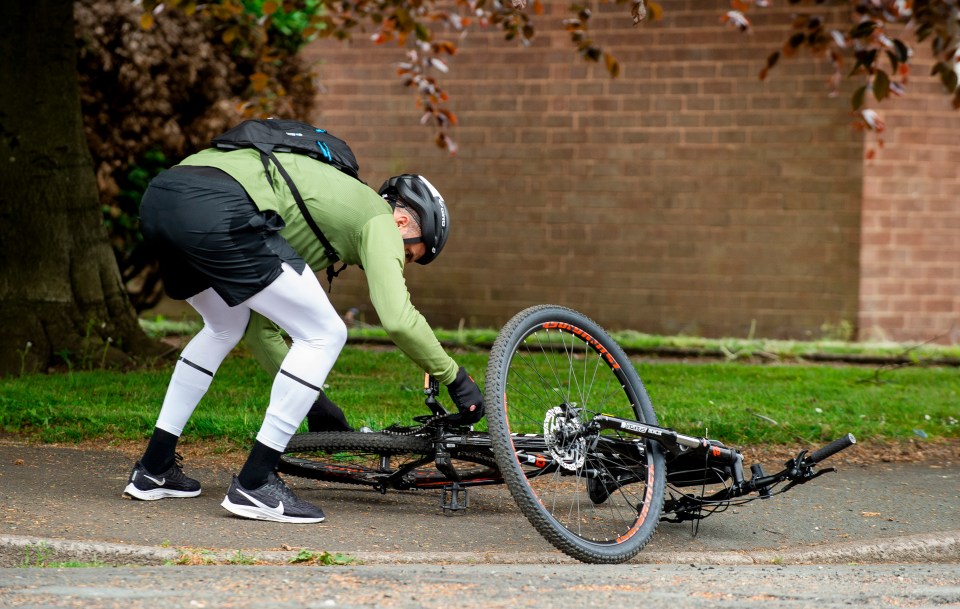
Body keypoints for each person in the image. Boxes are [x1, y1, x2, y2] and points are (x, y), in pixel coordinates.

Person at [123, 133, 484, 524]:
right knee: (328, 332)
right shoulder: (378, 219)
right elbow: (397, 317)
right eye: (410, 253)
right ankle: (255, 483)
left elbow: (261, 332)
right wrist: (455, 377)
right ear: (401, 220)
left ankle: (153, 466)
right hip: (218, 205)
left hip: (164, 197)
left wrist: (314, 402)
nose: (402, 262)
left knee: (226, 324)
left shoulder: (306, 221)